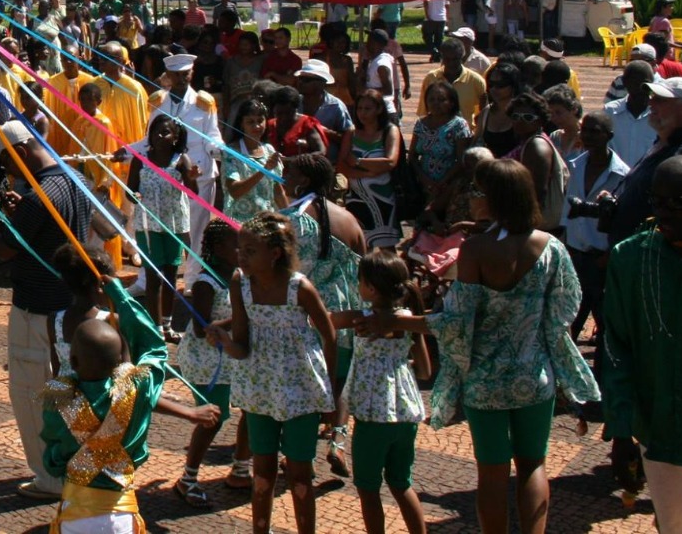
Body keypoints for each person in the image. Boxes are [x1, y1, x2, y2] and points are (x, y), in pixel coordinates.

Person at [385, 159, 599, 534]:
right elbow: (565, 308)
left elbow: (456, 322)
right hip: (535, 376)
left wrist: (403, 321)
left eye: (477, 191)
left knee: (492, 472)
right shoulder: (550, 246)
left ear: (495, 198)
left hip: (485, 382)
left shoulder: (477, 250)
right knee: (533, 464)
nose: (471, 197)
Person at [0, 119, 95, 500]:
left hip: (36, 308)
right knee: (64, 390)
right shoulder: (74, 179)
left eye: (5, 164)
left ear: (19, 153)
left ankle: (50, 476)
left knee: (33, 392)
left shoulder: (39, 197)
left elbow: (6, 249)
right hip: (67, 306)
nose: (6, 173)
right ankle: (73, 465)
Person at [600, 155, 682, 533]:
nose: (664, 213)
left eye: (677, 203)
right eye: (656, 201)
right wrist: (620, 430)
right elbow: (616, 346)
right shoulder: (631, 258)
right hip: (658, 436)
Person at [207, 212, 337, 534]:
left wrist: (330, 392)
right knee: (262, 475)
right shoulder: (240, 283)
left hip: (302, 391)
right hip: (259, 390)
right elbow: (242, 346)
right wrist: (222, 342)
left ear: (275, 254)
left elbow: (330, 335)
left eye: (250, 251)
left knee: (300, 476)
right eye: (240, 249)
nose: (241, 257)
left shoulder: (300, 288)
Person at [39, 249, 173, 532]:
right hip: (121, 516)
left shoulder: (59, 402)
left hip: (74, 515)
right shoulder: (133, 394)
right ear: (120, 360)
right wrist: (122, 298)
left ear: (73, 359)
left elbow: (53, 458)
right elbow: (155, 349)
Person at [331, 248, 431, 534]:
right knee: (402, 483)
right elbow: (425, 371)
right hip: (406, 414)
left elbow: (326, 319)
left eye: (360, 281)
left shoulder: (361, 319)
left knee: (368, 488)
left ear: (371, 288)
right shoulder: (409, 319)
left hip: (373, 418)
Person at [172, 220, 251, 506]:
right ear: (218, 248)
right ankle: (187, 479)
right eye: (237, 245)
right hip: (207, 362)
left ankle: (241, 468)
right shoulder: (206, 282)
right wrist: (244, 316)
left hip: (230, 356)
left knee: (251, 410)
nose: (243, 251)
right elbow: (199, 328)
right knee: (212, 418)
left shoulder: (239, 275)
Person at [606, 76, 682, 247]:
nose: (651, 104)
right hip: (635, 255)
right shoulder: (662, 143)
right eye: (652, 98)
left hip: (660, 261)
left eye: (660, 99)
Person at [154, 53, 223, 287]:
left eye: (186, 74)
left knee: (197, 230)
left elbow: (212, 136)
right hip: (167, 174)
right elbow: (149, 139)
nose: (182, 79)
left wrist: (219, 150)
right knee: (162, 226)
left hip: (198, 173)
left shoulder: (204, 102)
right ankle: (150, 277)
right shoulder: (157, 101)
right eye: (177, 75)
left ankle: (193, 277)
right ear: (168, 76)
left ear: (192, 74)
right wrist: (127, 151)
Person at [560, 112, 627, 346]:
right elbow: (566, 210)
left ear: (609, 136)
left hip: (600, 259)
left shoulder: (621, 175)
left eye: (594, 131)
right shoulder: (574, 165)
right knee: (569, 320)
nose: (587, 136)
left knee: (604, 322)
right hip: (575, 253)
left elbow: (621, 222)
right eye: (584, 130)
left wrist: (608, 255)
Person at [129, 113, 197, 337]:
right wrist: (135, 195)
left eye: (165, 132)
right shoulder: (140, 159)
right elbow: (131, 190)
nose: (159, 136)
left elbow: (192, 193)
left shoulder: (181, 161)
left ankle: (167, 324)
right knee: (152, 276)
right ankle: (155, 326)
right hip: (148, 226)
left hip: (174, 225)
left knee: (170, 274)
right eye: (155, 131)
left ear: (176, 137)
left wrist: (191, 178)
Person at [338, 90, 403, 247]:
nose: (362, 113)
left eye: (368, 109)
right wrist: (370, 171)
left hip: (383, 198)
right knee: (359, 246)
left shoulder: (389, 131)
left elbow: (390, 162)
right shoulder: (351, 133)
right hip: (356, 198)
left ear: (379, 109)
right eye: (359, 108)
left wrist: (358, 162)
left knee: (386, 247)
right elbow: (341, 165)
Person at [504, 91, 569, 232]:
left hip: (534, 225)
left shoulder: (537, 146)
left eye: (528, 117)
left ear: (540, 120)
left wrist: (522, 227)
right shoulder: (526, 142)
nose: (520, 121)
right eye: (515, 116)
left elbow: (537, 191)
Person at [222, 98, 285, 222]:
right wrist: (264, 170)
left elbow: (277, 190)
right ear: (241, 124)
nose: (257, 126)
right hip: (239, 224)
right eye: (250, 122)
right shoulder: (231, 153)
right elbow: (235, 191)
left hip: (267, 222)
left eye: (260, 121)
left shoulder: (269, 150)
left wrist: (290, 217)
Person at [411, 81, 473, 207]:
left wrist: (441, 183)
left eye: (441, 100)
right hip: (423, 184)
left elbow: (461, 160)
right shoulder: (420, 124)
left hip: (449, 185)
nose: (435, 104)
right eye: (431, 99)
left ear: (451, 103)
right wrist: (425, 180)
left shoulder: (459, 125)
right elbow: (412, 156)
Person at [416, 38, 487, 128]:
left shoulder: (477, 81)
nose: (451, 63)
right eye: (447, 59)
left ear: (463, 57)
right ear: (442, 57)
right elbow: (423, 111)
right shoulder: (431, 78)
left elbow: (484, 114)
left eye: (455, 59)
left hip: (466, 137)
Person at [602, 60, 659, 168]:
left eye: (645, 83)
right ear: (625, 82)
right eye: (635, 83)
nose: (641, 88)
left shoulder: (659, 114)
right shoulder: (610, 112)